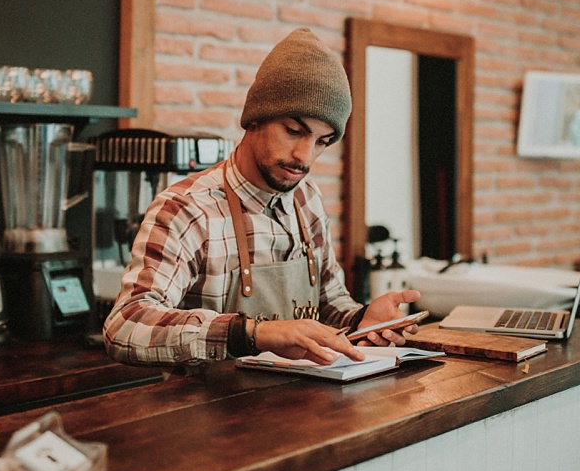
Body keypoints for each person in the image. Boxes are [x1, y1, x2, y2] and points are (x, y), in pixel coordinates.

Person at [104, 27, 421, 367]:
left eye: (322, 141)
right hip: (208, 413)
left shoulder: (306, 200)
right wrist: (250, 333)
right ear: (255, 118)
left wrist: (360, 322)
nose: (305, 156)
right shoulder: (188, 209)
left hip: (299, 408)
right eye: (294, 131)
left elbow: (329, 303)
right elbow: (125, 325)